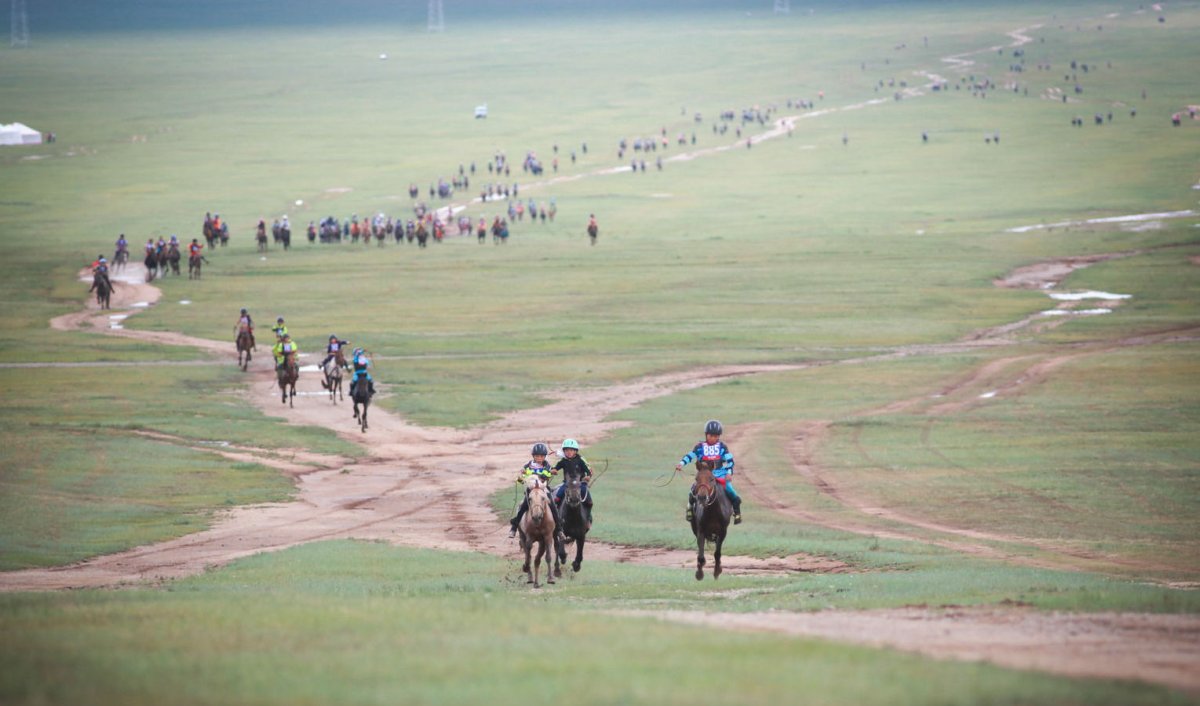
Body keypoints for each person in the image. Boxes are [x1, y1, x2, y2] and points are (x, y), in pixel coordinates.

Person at [675, 419, 742, 524]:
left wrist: (729, 473)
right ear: (706, 435)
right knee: (693, 489)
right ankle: (689, 507)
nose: (713, 438)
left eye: (716, 436)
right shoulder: (700, 447)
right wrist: (681, 463)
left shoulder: (722, 447)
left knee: (731, 491)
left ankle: (737, 512)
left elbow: (730, 461)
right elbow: (690, 456)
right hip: (704, 475)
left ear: (719, 436)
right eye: (711, 436)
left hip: (720, 473)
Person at [510, 443, 563, 537]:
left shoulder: (548, 466)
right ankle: (514, 527)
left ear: (545, 457)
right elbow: (520, 480)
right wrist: (520, 477)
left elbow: (546, 476)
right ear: (533, 456)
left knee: (553, 507)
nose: (539, 458)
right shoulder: (527, 466)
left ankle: (559, 529)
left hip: (544, 490)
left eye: (542, 456)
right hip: (531, 490)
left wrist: (552, 473)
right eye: (537, 456)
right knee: (523, 507)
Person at [552, 438, 594, 529]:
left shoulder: (581, 460)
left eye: (571, 450)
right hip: (567, 484)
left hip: (580, 483)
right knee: (557, 498)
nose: (569, 452)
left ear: (575, 451)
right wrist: (554, 470)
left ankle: (588, 518)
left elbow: (588, 470)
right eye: (566, 450)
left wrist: (588, 476)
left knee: (589, 502)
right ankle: (557, 518)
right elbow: (556, 467)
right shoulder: (563, 460)